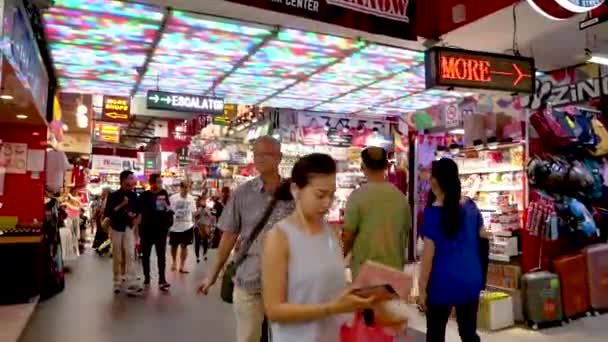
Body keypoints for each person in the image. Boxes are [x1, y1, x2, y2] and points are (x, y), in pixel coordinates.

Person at [262, 153, 374, 342]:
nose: (327, 203)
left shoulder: (331, 234)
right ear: (296, 190)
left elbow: (327, 287)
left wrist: (356, 295)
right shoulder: (280, 238)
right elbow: (274, 310)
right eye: (320, 195)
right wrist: (331, 308)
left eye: (331, 195)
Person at [197, 136, 294, 342]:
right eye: (257, 154)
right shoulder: (243, 193)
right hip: (250, 279)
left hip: (288, 283)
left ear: (279, 158)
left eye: (266, 154)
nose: (260, 159)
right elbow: (229, 236)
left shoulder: (294, 193)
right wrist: (212, 274)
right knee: (249, 336)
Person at [418, 158, 484, 342]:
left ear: (434, 181)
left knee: (436, 334)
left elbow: (427, 258)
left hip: (442, 284)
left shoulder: (433, 215)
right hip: (471, 279)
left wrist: (421, 289)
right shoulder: (471, 207)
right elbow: (483, 236)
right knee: (468, 333)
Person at [342, 146, 410, 278]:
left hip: (365, 274)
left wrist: (341, 257)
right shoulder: (400, 198)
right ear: (386, 165)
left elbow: (348, 236)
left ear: (362, 167)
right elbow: (405, 234)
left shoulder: (357, 196)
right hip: (394, 272)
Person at [104, 170, 142, 296]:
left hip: (128, 227)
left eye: (133, 178)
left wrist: (134, 216)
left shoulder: (134, 196)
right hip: (116, 227)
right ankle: (117, 280)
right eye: (131, 178)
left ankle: (131, 281)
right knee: (117, 254)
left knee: (131, 253)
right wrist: (122, 204)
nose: (133, 181)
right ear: (123, 180)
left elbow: (136, 212)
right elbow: (109, 213)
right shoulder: (113, 195)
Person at [137, 173, 172, 291]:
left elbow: (168, 208)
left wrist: (168, 208)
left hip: (161, 230)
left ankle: (162, 279)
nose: (160, 184)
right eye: (158, 182)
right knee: (145, 255)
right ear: (151, 183)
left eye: (161, 182)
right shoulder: (144, 196)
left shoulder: (163, 194)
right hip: (146, 230)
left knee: (161, 255)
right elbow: (139, 212)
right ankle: (147, 277)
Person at [169, 181, 197, 273]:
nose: (186, 189)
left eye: (188, 187)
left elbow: (193, 212)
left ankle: (182, 265)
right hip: (175, 226)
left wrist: (194, 222)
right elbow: (169, 211)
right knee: (174, 246)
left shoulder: (191, 199)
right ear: (180, 188)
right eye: (185, 187)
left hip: (187, 226)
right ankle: (173, 262)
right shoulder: (173, 198)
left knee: (184, 246)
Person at [194, 195, 213, 263]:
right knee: (197, 242)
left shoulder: (208, 208)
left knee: (205, 242)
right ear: (199, 201)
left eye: (204, 201)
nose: (203, 202)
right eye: (202, 201)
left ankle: (205, 254)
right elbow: (194, 217)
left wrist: (210, 226)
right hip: (198, 227)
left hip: (205, 227)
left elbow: (210, 217)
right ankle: (197, 256)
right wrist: (199, 211)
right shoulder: (197, 208)